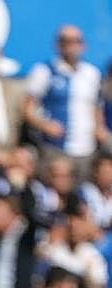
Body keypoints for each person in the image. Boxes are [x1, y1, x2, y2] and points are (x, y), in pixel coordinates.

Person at [23, 25, 107, 178]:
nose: (70, 46)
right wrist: (45, 125)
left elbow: (97, 106)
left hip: (86, 148)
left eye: (75, 41)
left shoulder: (91, 73)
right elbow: (28, 108)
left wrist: (98, 127)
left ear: (83, 45)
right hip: (56, 147)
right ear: (57, 44)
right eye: (65, 41)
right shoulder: (44, 71)